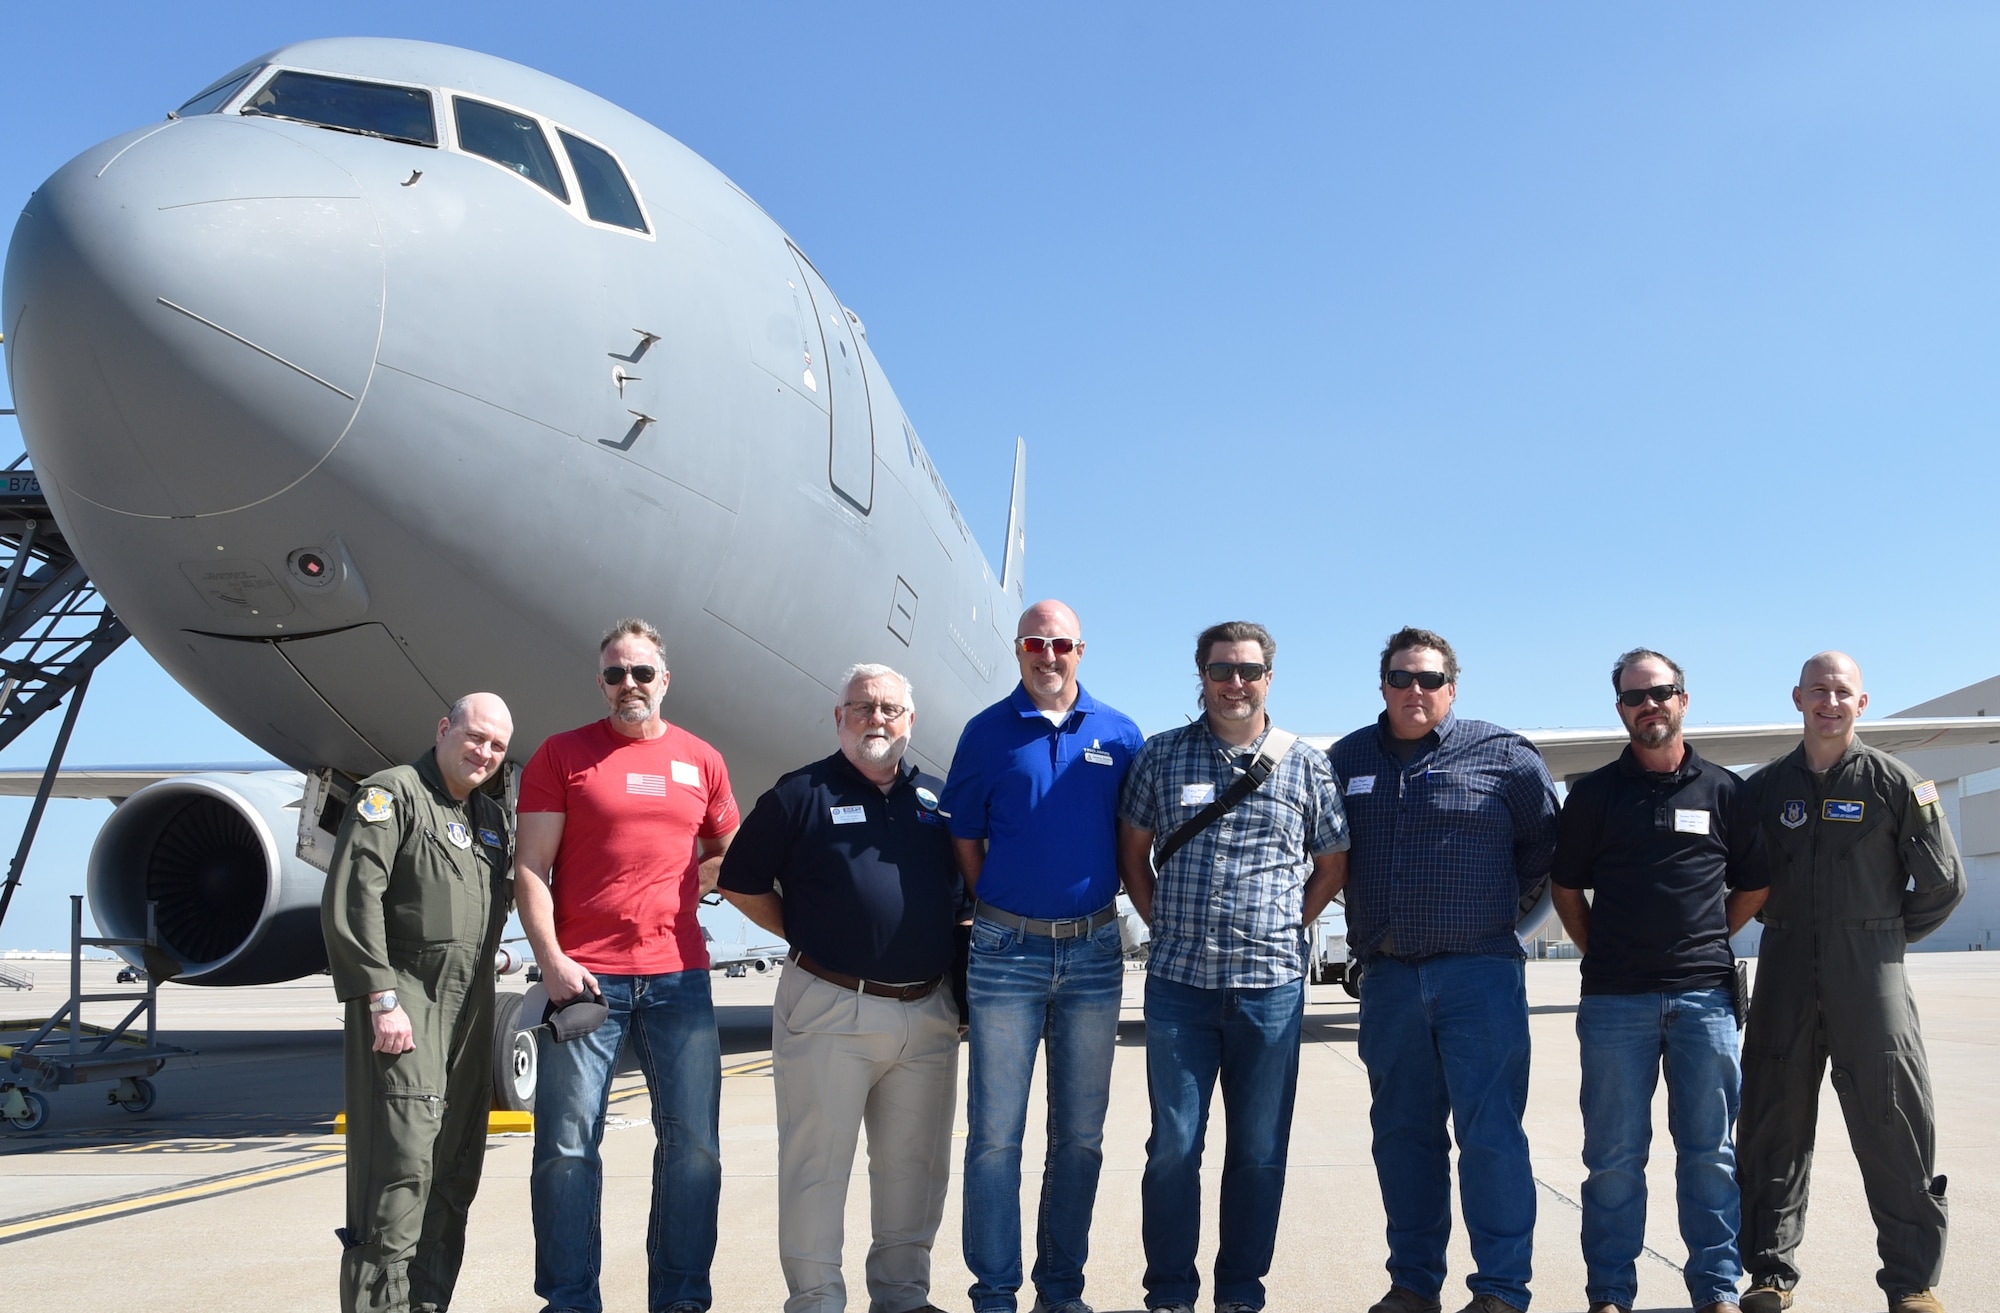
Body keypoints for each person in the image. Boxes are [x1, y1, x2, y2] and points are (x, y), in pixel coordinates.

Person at [1324, 626, 1559, 1313]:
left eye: (1429, 679)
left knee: (1490, 1134)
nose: (1415, 690)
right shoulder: (1348, 759)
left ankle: (1501, 1289)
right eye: (1402, 678)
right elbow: (1327, 853)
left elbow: (1546, 850)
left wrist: (1500, 924)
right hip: (1390, 978)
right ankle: (1412, 1283)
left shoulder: (1504, 756)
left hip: (1478, 974)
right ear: (1383, 685)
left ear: (1452, 687)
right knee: (1402, 1136)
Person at [1116, 620, 1348, 1313]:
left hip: (1269, 987)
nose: (1235, 682)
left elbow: (1331, 864)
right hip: (1181, 985)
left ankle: (1241, 1292)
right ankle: (1170, 1294)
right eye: (1221, 669)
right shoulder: (1160, 757)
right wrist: (1169, 925)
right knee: (1174, 1148)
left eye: (1248, 669)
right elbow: (1133, 857)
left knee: (1258, 1151)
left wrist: (1286, 926)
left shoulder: (1306, 763)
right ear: (1202, 677)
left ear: (1269, 678)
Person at [716, 663, 963, 1313]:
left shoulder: (940, 801)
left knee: (916, 1167)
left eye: (889, 708)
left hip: (927, 1009)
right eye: (861, 707)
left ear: (911, 719)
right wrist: (805, 934)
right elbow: (738, 880)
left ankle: (904, 1297)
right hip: (829, 1004)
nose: (875, 719)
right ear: (838, 716)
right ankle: (817, 1299)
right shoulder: (800, 794)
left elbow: (963, 899)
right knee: (816, 1166)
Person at [514, 619, 739, 1313]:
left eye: (642, 672)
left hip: (679, 974)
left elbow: (732, 849)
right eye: (616, 674)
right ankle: (570, 1299)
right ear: (602, 682)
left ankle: (679, 1299)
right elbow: (529, 866)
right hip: (585, 979)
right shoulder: (562, 754)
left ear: (664, 680)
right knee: (565, 1147)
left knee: (694, 1148)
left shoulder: (701, 759)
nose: (629, 685)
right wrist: (550, 959)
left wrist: (699, 877)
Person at [1737, 652, 1966, 1313]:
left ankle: (1911, 1281)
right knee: (1770, 1122)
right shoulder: (1762, 790)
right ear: (1797, 698)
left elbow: (1945, 882)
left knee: (1894, 1121)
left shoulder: (1897, 782)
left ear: (1861, 703)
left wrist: (1883, 935)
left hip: (1870, 974)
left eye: (1842, 691)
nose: (1829, 701)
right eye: (1818, 690)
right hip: (1782, 965)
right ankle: (1769, 1274)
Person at [941, 600, 1145, 1313]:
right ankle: (994, 1293)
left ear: (1080, 650)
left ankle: (1061, 1291)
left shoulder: (1121, 734)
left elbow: (1134, 838)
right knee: (995, 1136)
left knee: (1080, 1136)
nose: (1047, 654)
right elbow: (965, 837)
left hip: (1093, 953)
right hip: (1005, 953)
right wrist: (998, 903)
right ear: (1019, 648)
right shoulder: (984, 734)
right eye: (1034, 641)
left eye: (1060, 642)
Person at [1549, 650, 1767, 1313]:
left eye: (1662, 692)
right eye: (1636, 696)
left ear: (1684, 699)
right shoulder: (1592, 794)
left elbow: (1754, 883)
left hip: (1705, 1000)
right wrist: (1604, 950)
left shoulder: (1726, 790)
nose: (1651, 704)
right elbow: (1565, 888)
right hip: (1616, 1001)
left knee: (1711, 1153)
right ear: (1620, 708)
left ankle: (1717, 1290)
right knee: (1613, 1158)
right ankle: (1610, 1293)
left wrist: (1705, 942)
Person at [321, 692, 516, 1313]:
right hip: (408, 998)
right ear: (443, 729)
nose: (484, 752)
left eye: (497, 745)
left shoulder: (489, 817)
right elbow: (355, 898)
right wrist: (381, 997)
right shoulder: (392, 794)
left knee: (454, 1172)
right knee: (400, 1168)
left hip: (471, 1008)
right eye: (476, 736)